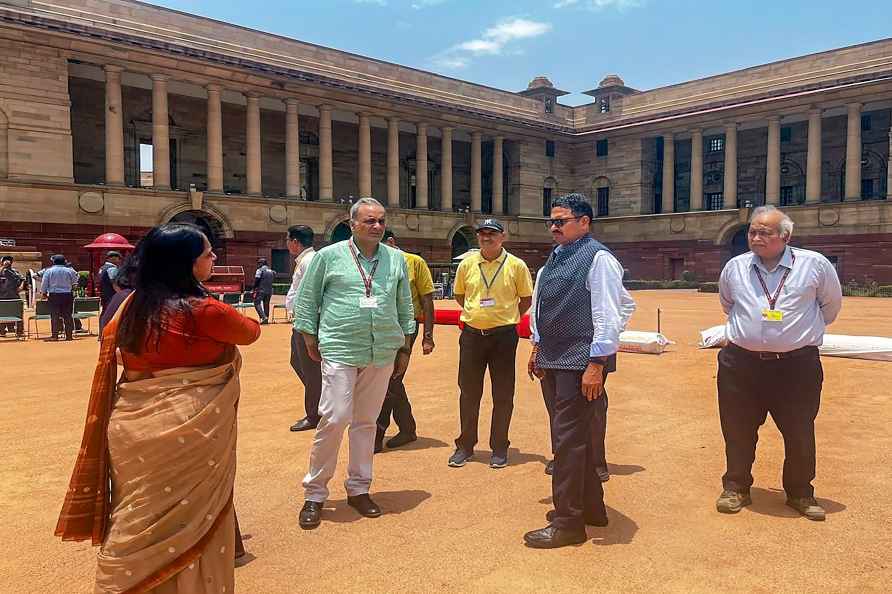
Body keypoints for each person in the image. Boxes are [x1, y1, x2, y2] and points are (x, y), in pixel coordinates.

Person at [55, 222, 261, 593]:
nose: (214, 258)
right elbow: (250, 331)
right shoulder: (205, 310)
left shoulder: (126, 306)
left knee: (136, 511)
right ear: (186, 264)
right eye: (207, 254)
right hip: (190, 424)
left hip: (131, 424)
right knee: (191, 518)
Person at [294, 197, 415, 530]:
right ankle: (315, 493)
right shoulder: (328, 257)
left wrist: (405, 345)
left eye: (381, 221)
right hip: (340, 345)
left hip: (382, 349)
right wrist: (308, 336)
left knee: (367, 422)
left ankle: (359, 489)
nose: (376, 226)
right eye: (369, 221)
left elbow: (404, 302)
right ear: (352, 224)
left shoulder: (395, 260)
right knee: (334, 417)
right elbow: (308, 298)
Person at [715, 205, 841, 521]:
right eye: (752, 231)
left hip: (796, 367)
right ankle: (736, 487)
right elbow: (728, 305)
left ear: (785, 236)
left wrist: (792, 336)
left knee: (799, 430)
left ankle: (800, 493)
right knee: (737, 429)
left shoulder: (814, 266)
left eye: (764, 232)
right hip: (740, 366)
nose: (756, 237)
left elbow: (830, 307)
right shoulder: (735, 267)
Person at [524, 193, 635, 549]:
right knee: (574, 438)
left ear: (584, 222)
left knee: (567, 442)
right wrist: (537, 345)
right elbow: (539, 306)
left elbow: (612, 310)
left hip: (580, 363)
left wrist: (598, 361)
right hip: (553, 360)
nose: (554, 227)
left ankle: (568, 522)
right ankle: (592, 508)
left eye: (562, 220)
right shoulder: (553, 261)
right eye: (552, 221)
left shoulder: (598, 258)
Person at [448, 218, 533, 469]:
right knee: (469, 392)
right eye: (483, 233)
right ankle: (465, 445)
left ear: (502, 236)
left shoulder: (516, 265)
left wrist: (504, 317)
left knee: (503, 393)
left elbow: (526, 299)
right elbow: (460, 295)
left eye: (492, 233)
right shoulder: (467, 263)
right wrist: (478, 314)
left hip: (503, 337)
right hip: (472, 336)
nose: (487, 237)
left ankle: (499, 447)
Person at [375, 229, 436, 452]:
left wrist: (428, 337)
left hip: (405, 328)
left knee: (389, 380)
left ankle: (376, 434)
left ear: (390, 241)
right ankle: (408, 428)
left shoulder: (414, 262)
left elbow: (427, 300)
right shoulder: (375, 262)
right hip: (379, 328)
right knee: (389, 379)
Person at [285, 224, 322, 432]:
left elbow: (310, 295)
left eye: (287, 239)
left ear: (295, 242)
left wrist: (307, 326)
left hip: (306, 322)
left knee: (311, 369)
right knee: (298, 363)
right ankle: (322, 401)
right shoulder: (306, 260)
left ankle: (314, 414)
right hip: (301, 321)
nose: (287, 243)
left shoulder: (309, 261)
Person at [40, 254, 79, 341]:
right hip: (67, 295)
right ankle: (69, 336)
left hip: (54, 295)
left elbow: (44, 284)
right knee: (68, 316)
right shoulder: (70, 271)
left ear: (54, 262)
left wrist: (44, 293)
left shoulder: (49, 271)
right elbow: (75, 283)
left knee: (55, 316)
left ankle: (55, 336)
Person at [0, 255, 25, 337]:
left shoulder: (15, 272)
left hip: (14, 296)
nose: (7, 262)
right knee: (2, 313)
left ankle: (19, 331)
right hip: (2, 297)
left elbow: (22, 279)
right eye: (5, 260)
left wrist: (21, 286)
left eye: (9, 261)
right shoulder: (1, 271)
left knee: (17, 312)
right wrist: (3, 267)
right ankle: (2, 330)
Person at [253, 258, 275, 324]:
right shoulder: (271, 271)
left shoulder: (259, 270)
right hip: (269, 290)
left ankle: (263, 317)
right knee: (266, 304)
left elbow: (257, 280)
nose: (258, 265)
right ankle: (266, 318)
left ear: (262, 263)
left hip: (261, 290)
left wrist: (254, 288)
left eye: (259, 263)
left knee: (256, 303)